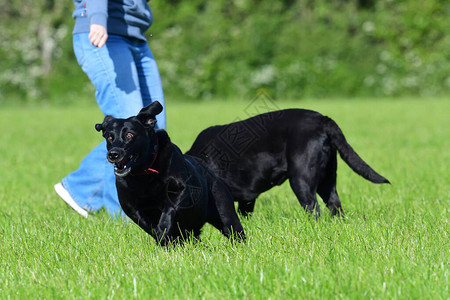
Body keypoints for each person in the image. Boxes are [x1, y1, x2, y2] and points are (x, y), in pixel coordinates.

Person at [54, 0, 166, 218]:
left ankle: (81, 189)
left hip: (137, 37)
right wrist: (97, 19)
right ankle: (123, 215)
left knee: (153, 129)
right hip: (104, 32)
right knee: (128, 128)